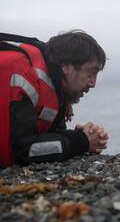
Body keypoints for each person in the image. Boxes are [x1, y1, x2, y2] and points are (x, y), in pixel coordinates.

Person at [0, 30, 109, 168]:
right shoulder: (22, 74)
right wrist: (82, 142)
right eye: (91, 73)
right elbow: (23, 151)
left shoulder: (55, 85)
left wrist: (82, 136)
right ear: (66, 66)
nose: (93, 83)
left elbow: (44, 135)